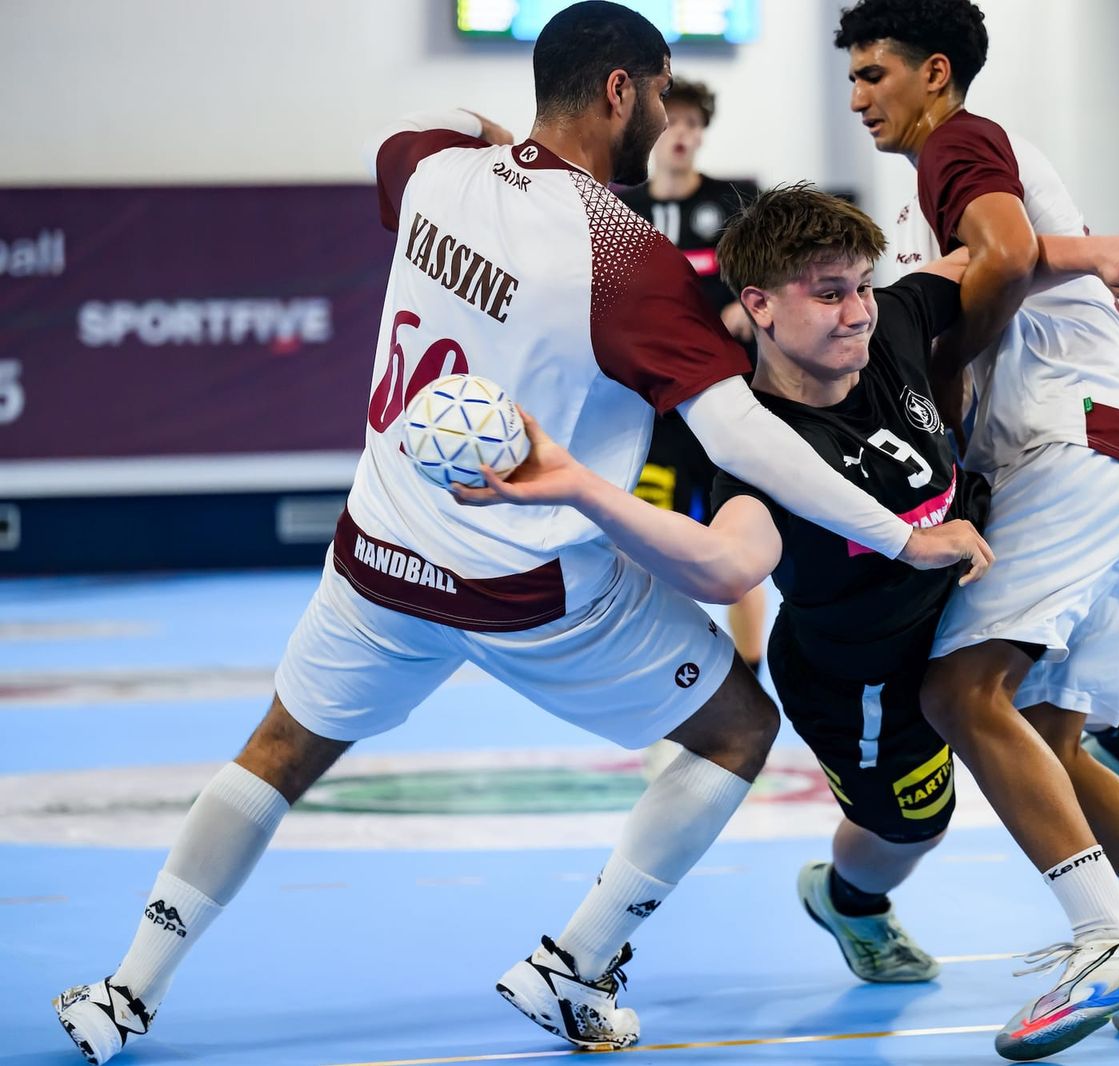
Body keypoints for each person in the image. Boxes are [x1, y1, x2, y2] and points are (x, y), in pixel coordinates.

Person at [50, 5, 990, 1063]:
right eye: (662, 92)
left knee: (276, 750)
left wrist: (511, 149)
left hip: (377, 560)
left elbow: (424, 122)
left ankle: (125, 990)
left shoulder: (430, 172)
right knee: (736, 730)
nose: (670, 115)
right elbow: (748, 440)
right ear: (621, 93)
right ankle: (572, 964)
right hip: (530, 596)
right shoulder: (625, 261)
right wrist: (904, 537)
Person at [463, 184, 1119, 990]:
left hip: (958, 623)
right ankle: (849, 899)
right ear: (759, 307)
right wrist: (580, 488)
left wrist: (1101, 254)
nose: (856, 311)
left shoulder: (889, 325)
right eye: (828, 294)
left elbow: (994, 258)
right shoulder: (757, 450)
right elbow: (726, 565)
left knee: (1047, 738)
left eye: (859, 286)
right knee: (911, 830)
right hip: (861, 682)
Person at [834, 1, 1119, 1059]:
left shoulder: (957, 143)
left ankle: (1105, 937)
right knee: (1043, 735)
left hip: (1067, 444)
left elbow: (999, 256)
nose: (857, 98)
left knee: (955, 689)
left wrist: (943, 387)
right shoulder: (947, 179)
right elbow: (1019, 254)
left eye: (872, 74)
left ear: (934, 72)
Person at [617, 79, 768, 674]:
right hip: (655, 411)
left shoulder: (736, 204)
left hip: (728, 401)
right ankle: (675, 677)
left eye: (692, 125)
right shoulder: (622, 210)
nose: (681, 134)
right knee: (662, 546)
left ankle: (749, 676)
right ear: (654, 129)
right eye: (671, 122)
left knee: (741, 546)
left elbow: (773, 281)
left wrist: (746, 309)